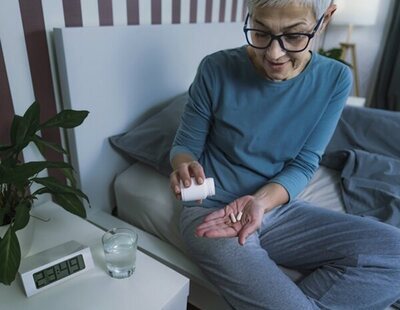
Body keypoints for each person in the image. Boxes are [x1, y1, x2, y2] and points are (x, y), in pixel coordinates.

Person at [169, 0, 400, 309]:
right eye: (261, 32)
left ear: (325, 19)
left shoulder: (335, 78)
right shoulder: (216, 68)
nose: (273, 54)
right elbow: (185, 145)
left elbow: (305, 163)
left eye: (293, 36)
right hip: (213, 213)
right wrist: (184, 166)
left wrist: (260, 202)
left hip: (275, 207)